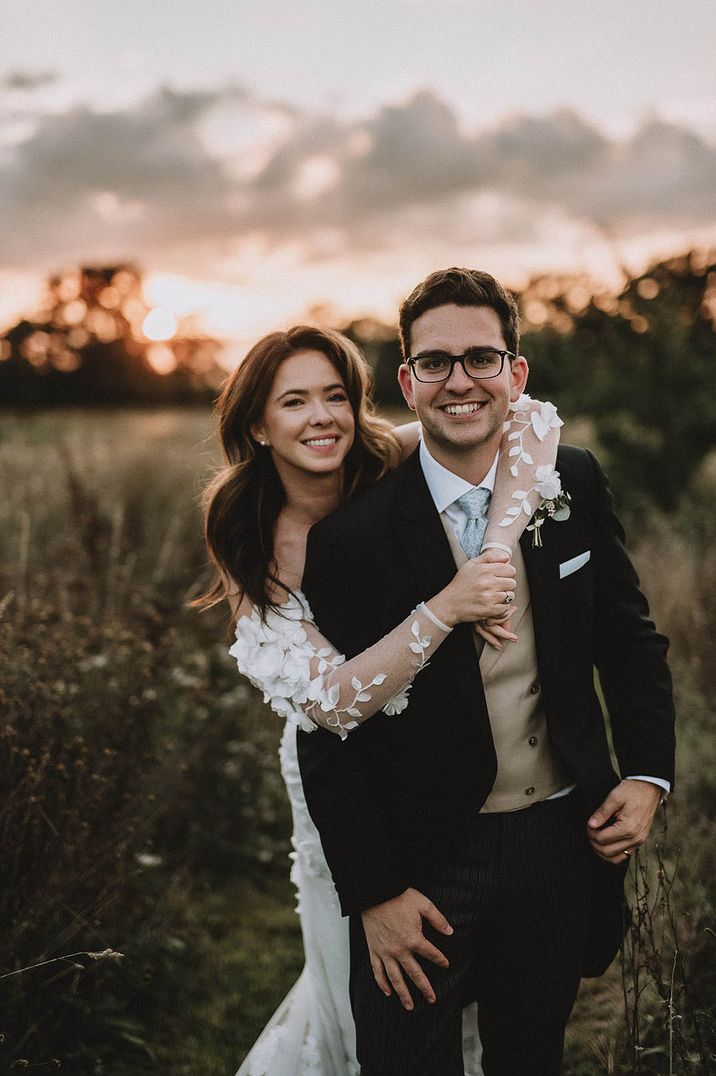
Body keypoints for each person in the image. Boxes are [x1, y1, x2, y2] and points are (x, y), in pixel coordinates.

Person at [297, 269, 676, 1076]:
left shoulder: (571, 477)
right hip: (424, 864)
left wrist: (646, 776)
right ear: (407, 381)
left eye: (481, 357)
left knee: (529, 1059)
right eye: (435, 363)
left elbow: (630, 640)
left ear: (516, 373)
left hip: (559, 839)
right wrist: (375, 892)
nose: (460, 381)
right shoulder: (352, 536)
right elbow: (327, 731)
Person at [196, 324, 561, 1075]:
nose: (322, 417)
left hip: (434, 752)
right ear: (258, 425)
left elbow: (531, 417)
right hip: (337, 766)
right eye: (293, 401)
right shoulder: (249, 531)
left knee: (454, 964)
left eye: (336, 395)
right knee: (367, 980)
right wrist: (449, 606)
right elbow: (331, 704)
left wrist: (494, 553)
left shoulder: (388, 456)